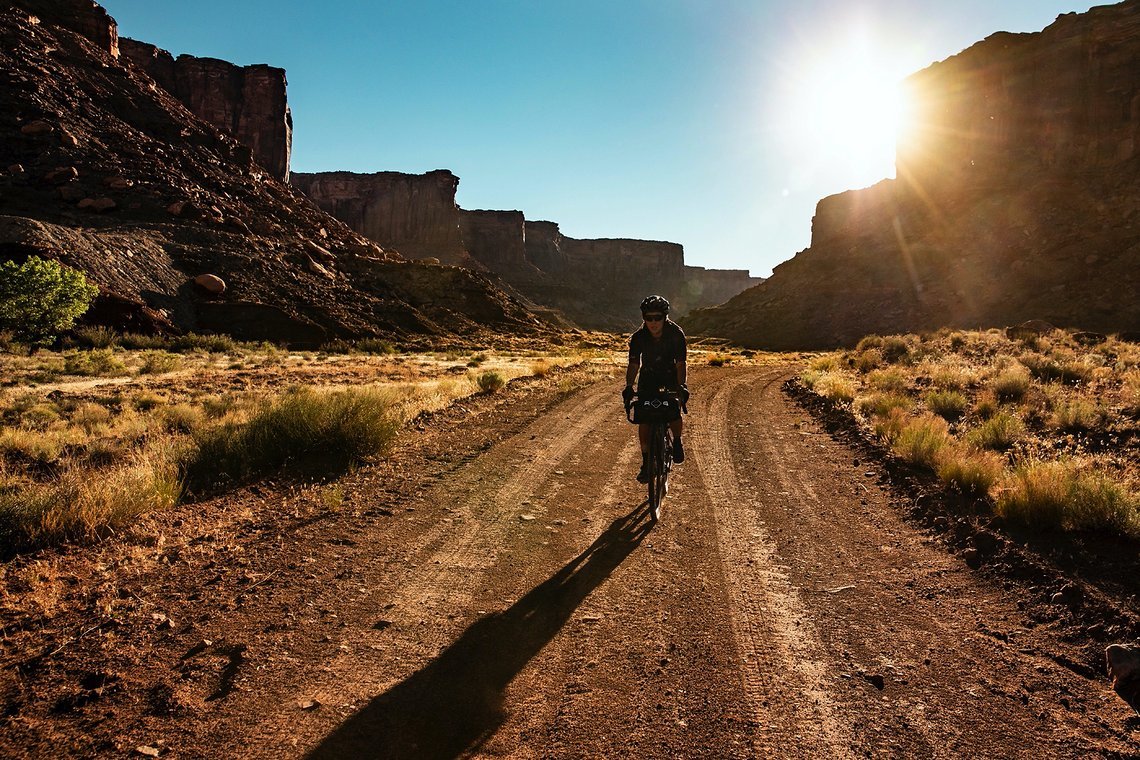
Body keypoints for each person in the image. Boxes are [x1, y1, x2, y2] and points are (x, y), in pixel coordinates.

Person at [622, 295, 689, 483]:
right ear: (643, 317)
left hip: (670, 375)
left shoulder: (676, 334)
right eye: (648, 318)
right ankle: (646, 463)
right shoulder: (638, 337)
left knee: (673, 410)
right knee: (644, 417)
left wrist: (681, 386)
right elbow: (634, 364)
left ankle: (676, 441)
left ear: (665, 317)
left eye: (657, 317)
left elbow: (681, 364)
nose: (653, 322)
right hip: (648, 376)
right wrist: (628, 386)